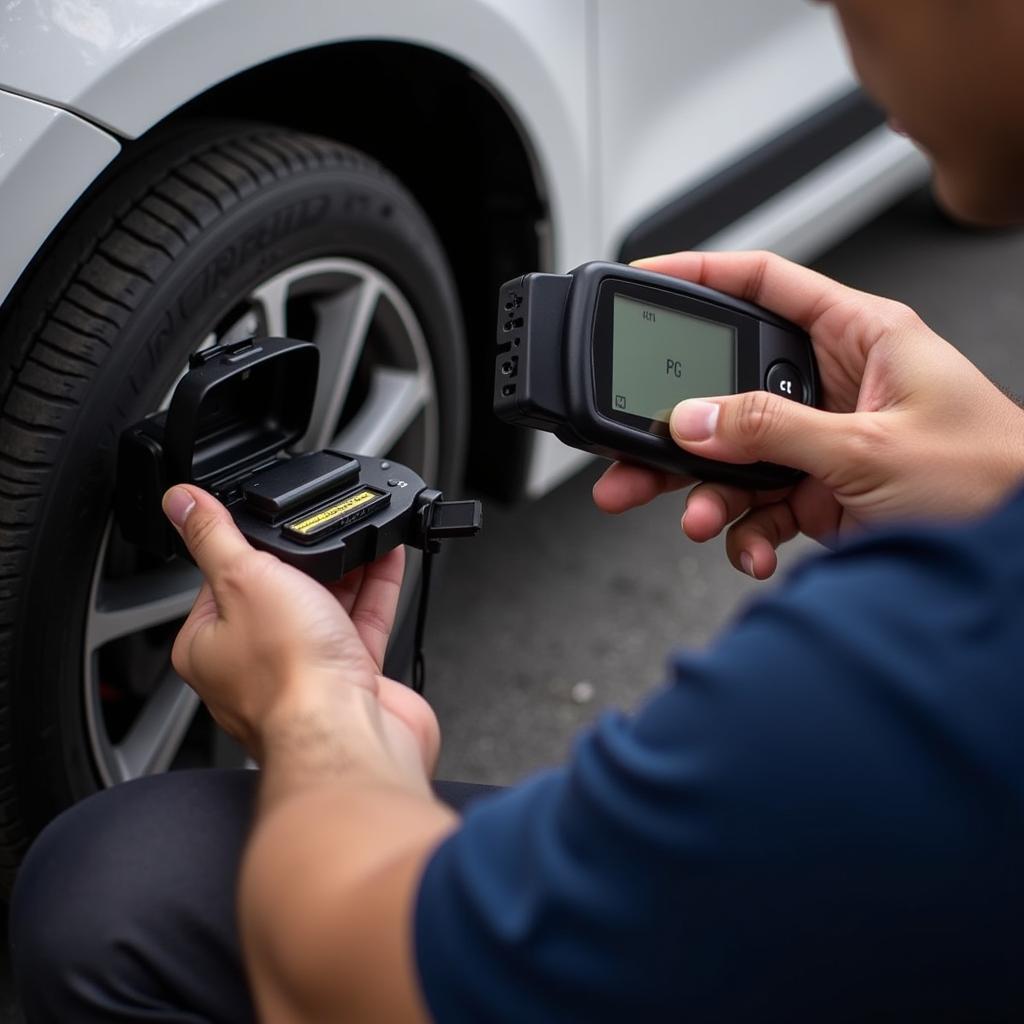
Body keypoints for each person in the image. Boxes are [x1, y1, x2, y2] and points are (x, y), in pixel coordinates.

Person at [11, 0, 1024, 1020]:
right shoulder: (964, 600)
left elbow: (351, 984)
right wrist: (1000, 475)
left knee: (117, 886)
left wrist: (313, 709)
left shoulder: (891, 671)